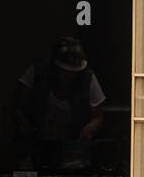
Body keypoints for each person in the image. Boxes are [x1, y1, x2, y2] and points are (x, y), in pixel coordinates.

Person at [14, 36, 106, 168]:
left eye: (74, 72)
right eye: (65, 71)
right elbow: (16, 108)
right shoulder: (37, 72)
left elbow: (98, 117)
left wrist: (89, 128)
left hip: (72, 153)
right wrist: (25, 125)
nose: (70, 75)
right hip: (35, 149)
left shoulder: (88, 79)